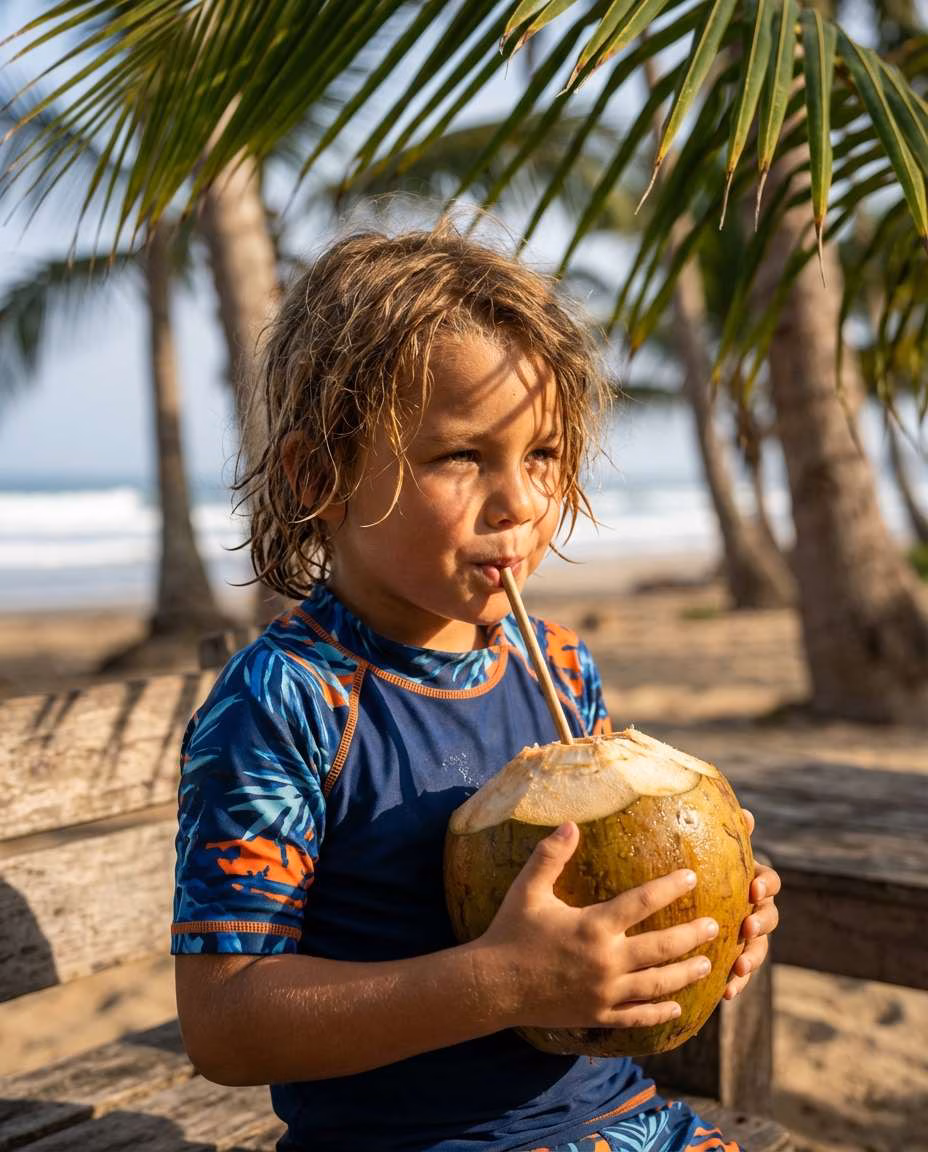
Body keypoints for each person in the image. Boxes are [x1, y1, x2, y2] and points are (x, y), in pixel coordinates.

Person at [172, 220, 781, 1152]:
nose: (522, 504)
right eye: (462, 456)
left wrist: (696, 923)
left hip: (623, 1120)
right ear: (320, 476)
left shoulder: (558, 666)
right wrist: (502, 982)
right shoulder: (288, 701)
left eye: (542, 456)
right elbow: (225, 1023)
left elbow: (595, 907)